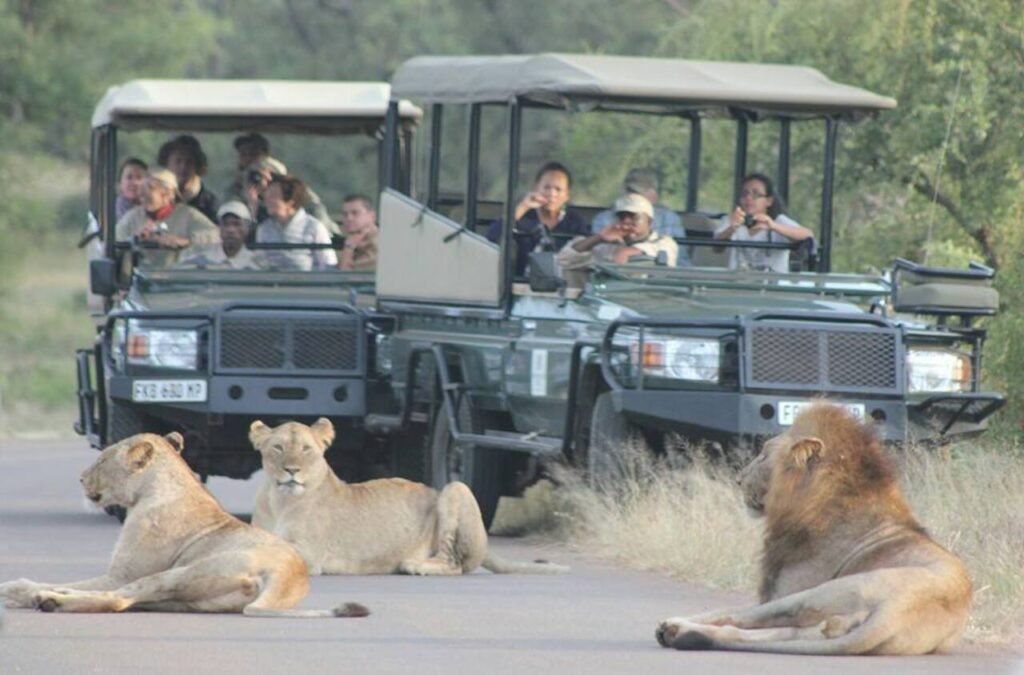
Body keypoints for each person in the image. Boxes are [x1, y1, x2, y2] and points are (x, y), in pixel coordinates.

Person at [486, 161, 589, 276]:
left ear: (567, 195)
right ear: (536, 188)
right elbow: (492, 237)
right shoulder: (523, 215)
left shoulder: (575, 220)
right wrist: (523, 206)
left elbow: (584, 251)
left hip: (562, 283)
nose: (552, 194)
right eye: (546, 188)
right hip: (521, 282)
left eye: (558, 189)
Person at [225, 132, 338, 234]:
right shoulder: (236, 190)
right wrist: (250, 201)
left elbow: (315, 208)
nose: (248, 160)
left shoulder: (286, 183)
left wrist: (276, 186)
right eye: (243, 155)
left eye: (253, 155)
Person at [557, 193, 679, 284]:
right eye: (622, 216)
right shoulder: (608, 246)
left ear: (649, 222)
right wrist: (598, 238)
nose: (626, 221)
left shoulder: (665, 243)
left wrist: (624, 252)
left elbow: (660, 254)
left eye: (634, 217)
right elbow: (563, 261)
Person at [115, 169, 219, 267]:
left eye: (150, 188)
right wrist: (136, 240)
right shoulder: (134, 216)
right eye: (143, 188)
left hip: (176, 279)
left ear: (168, 194)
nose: (143, 193)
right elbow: (114, 241)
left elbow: (215, 236)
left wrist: (183, 241)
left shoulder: (187, 214)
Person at [713, 172, 813, 273]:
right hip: (737, 284)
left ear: (769, 201)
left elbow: (808, 235)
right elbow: (717, 248)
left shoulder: (779, 221)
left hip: (772, 286)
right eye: (744, 194)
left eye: (756, 194)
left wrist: (773, 226)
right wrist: (732, 228)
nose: (748, 198)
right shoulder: (730, 220)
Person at [591, 167, 690, 266]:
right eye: (629, 191)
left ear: (653, 195)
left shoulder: (669, 219)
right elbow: (592, 256)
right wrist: (599, 239)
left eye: (637, 192)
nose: (626, 221)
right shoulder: (603, 219)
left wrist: (629, 252)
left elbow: (677, 259)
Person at [255, 175, 337, 271]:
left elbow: (328, 264)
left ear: (290, 202)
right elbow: (259, 262)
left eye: (273, 195)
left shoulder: (314, 227)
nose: (267, 200)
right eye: (267, 195)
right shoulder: (264, 229)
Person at [178, 201, 262, 270]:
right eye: (225, 224)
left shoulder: (257, 265)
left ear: (247, 229)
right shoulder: (200, 262)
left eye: (237, 224)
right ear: (219, 228)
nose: (230, 230)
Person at [157, 135, 218, 222]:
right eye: (178, 161)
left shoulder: (209, 202)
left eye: (189, 162)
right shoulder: (157, 198)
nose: (183, 167)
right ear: (166, 164)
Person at [337, 194, 379, 272]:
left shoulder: (376, 244)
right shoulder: (354, 239)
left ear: (372, 216)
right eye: (345, 214)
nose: (349, 218)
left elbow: (346, 277)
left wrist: (349, 248)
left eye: (355, 213)